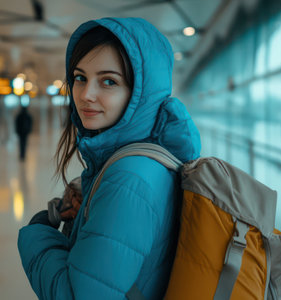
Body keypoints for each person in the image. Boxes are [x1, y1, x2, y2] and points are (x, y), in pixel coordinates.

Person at [17, 17, 201, 299]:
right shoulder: (149, 160)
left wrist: (37, 233)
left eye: (108, 81)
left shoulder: (129, 178)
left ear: (141, 94)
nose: (86, 95)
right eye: (80, 78)